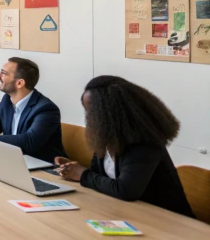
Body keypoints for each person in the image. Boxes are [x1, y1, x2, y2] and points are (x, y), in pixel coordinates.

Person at [55, 76, 195, 218]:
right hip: (127, 212)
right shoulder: (107, 136)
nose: (88, 118)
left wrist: (82, 174)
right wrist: (74, 170)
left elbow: (126, 190)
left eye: (91, 112)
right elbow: (99, 175)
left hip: (166, 220)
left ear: (110, 113)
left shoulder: (144, 144)